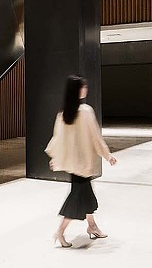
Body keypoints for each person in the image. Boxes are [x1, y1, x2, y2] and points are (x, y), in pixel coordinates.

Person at [45, 75, 117, 248]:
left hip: (73, 164)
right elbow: (95, 138)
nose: (86, 88)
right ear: (77, 90)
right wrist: (107, 155)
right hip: (83, 164)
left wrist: (56, 158)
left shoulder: (64, 114)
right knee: (77, 200)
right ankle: (60, 232)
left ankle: (92, 226)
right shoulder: (85, 111)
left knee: (87, 198)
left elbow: (58, 139)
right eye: (83, 86)